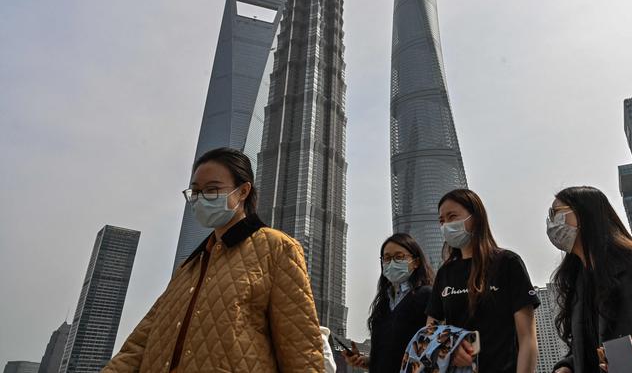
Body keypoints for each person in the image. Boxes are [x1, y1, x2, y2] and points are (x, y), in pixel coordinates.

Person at [102, 147, 324, 372]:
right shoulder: (189, 266)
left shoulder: (277, 249)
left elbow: (301, 351)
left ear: (243, 191)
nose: (201, 199)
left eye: (212, 190)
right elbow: (140, 344)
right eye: (195, 192)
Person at [426, 189, 539, 373]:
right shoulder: (445, 273)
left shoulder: (507, 263)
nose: (446, 225)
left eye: (452, 216)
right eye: (442, 221)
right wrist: (448, 348)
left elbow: (527, 338)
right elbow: (429, 332)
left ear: (476, 218)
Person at [548, 186, 632, 373]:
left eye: (556, 213)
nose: (551, 223)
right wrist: (566, 367)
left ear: (585, 215)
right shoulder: (577, 282)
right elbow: (589, 347)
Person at [343, 233, 434, 372]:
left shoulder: (426, 295)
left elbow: (432, 349)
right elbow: (388, 353)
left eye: (399, 257)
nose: (392, 263)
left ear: (416, 262)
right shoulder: (383, 303)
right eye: (387, 258)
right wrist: (366, 361)